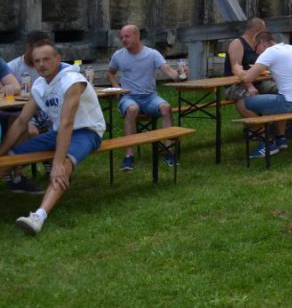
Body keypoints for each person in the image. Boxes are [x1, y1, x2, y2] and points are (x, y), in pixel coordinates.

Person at [0, 42, 106, 235]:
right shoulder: (39, 85)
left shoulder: (72, 80)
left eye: (46, 59)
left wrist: (57, 163)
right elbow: (21, 121)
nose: (41, 64)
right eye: (37, 61)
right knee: (10, 157)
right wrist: (1, 152)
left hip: (87, 130)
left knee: (64, 165)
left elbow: (67, 122)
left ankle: (38, 217)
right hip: (59, 133)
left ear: (58, 59)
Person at [108, 24, 183, 171]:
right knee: (132, 108)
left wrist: (180, 74)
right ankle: (129, 155)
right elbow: (110, 72)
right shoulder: (118, 55)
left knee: (166, 107)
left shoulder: (152, 54)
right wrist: (116, 86)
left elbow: (169, 71)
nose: (123, 40)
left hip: (149, 97)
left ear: (137, 36)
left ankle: (169, 151)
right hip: (129, 96)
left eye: (127, 36)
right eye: (122, 37)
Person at [237, 32, 292, 158]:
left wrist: (238, 69)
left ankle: (267, 143)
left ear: (262, 44)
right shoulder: (291, 48)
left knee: (241, 104)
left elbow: (247, 78)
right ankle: (281, 139)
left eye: (256, 49)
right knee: (276, 95)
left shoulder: (270, 52)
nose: (256, 53)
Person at [3, 31, 57, 193]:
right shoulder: (13, 66)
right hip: (21, 110)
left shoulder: (51, 67)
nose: (41, 60)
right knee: (30, 130)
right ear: (28, 48)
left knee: (61, 126)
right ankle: (15, 174)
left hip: (45, 110)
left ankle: (54, 164)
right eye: (37, 49)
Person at [224, 18, 274, 104]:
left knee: (279, 89)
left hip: (258, 82)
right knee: (252, 98)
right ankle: (256, 117)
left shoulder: (258, 45)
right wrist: (249, 86)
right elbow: (236, 68)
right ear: (258, 30)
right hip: (237, 84)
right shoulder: (237, 43)